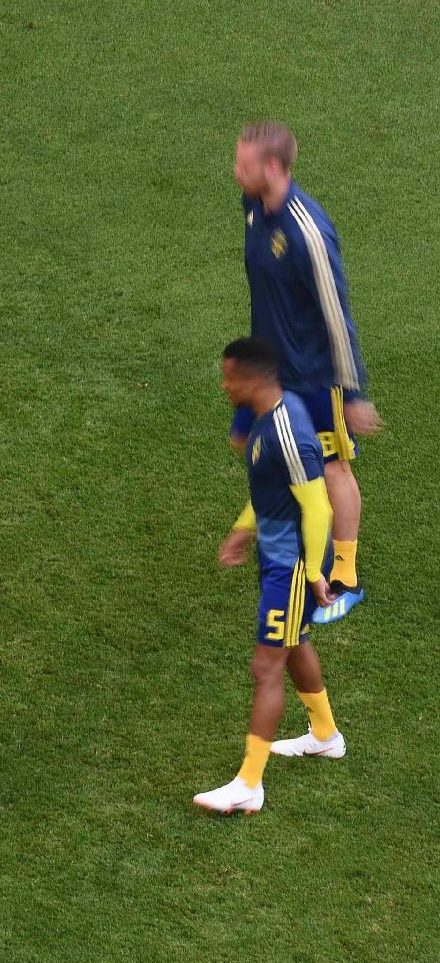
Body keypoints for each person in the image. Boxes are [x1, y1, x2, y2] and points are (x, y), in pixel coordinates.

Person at [230, 122, 380, 623]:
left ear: (273, 167)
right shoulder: (254, 207)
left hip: (314, 376)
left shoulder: (307, 231)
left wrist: (352, 393)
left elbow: (337, 314)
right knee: (263, 447)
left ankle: (346, 577)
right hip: (270, 371)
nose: (236, 171)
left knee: (333, 467)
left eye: (244, 164)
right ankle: (294, 529)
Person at [196, 338, 345, 816]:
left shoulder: (288, 434)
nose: (224, 386)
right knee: (293, 642)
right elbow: (270, 490)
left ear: (252, 379)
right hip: (278, 557)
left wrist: (315, 573)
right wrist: (243, 530)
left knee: (266, 667)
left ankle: (249, 784)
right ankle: (325, 735)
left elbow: (318, 506)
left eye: (229, 378)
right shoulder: (268, 415)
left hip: (293, 567)